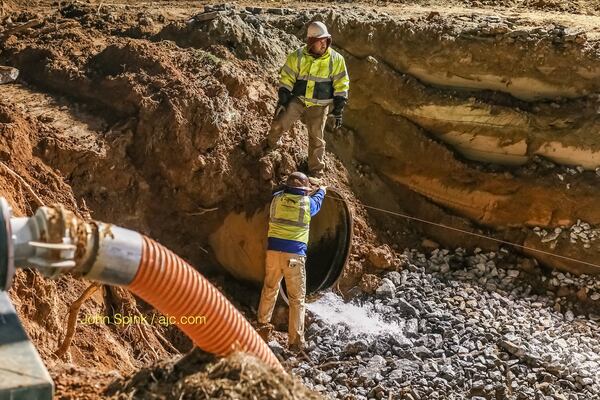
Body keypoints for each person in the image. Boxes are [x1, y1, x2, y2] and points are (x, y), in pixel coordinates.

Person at [267, 21, 350, 182]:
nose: (324, 44)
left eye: (326, 40)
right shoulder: (297, 56)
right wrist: (284, 98)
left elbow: (342, 84)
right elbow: (287, 78)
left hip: (320, 106)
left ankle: (316, 171)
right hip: (299, 100)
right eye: (320, 40)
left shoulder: (336, 60)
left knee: (316, 138)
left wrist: (338, 108)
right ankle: (271, 147)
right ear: (311, 42)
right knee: (280, 122)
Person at [257, 171, 326, 352]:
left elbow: (277, 191)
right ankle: (295, 342)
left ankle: (262, 328)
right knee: (297, 299)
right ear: (304, 190)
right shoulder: (307, 203)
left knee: (270, 289)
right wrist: (322, 190)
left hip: (273, 252)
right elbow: (317, 202)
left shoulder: (277, 200)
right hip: (294, 256)